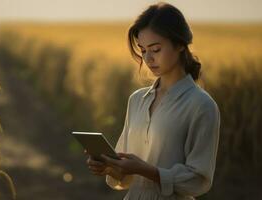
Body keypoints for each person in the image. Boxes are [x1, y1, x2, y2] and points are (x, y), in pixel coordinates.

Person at [85, 2, 220, 200]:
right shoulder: (137, 100)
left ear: (180, 44)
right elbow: (125, 175)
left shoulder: (202, 105)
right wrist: (108, 166)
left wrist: (147, 170)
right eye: (142, 50)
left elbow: (199, 181)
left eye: (155, 49)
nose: (148, 59)